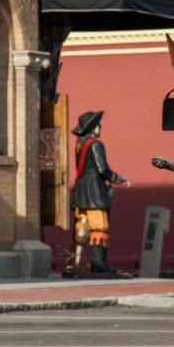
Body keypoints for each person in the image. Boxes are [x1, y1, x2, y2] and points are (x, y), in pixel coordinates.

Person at [68, 110, 130, 274]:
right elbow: (102, 169)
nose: (100, 127)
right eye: (98, 125)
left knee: (82, 227)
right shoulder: (96, 144)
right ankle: (98, 263)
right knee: (99, 227)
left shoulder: (79, 144)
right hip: (94, 191)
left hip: (81, 189)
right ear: (93, 128)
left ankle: (74, 263)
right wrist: (118, 178)